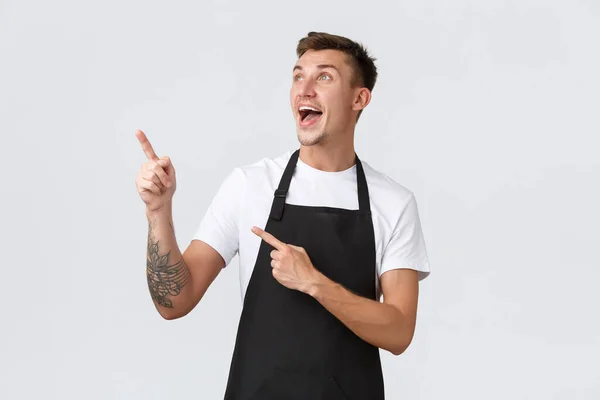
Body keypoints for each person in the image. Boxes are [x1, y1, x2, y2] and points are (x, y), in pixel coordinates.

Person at [135, 31, 430, 400]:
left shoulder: (393, 202)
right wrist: (158, 212)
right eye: (297, 76)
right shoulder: (249, 185)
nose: (304, 90)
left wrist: (314, 283)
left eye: (324, 77)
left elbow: (399, 331)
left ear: (360, 98)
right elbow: (174, 302)